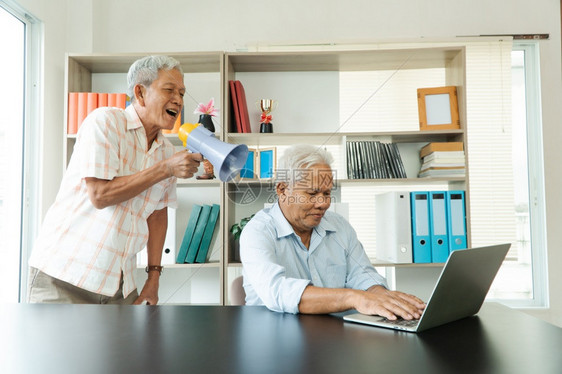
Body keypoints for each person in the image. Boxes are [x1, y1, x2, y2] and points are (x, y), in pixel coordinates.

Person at [27, 55, 202, 305]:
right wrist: (165, 169)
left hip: (118, 284)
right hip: (64, 277)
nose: (178, 100)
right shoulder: (105, 121)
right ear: (140, 93)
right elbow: (100, 195)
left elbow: (157, 215)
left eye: (182, 93)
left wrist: (154, 278)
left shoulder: (166, 152)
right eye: (169, 90)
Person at [240, 144, 426, 320]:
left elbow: (361, 274)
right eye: (312, 194)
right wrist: (354, 298)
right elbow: (278, 292)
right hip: (272, 335)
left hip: (332, 334)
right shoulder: (257, 232)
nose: (323, 203)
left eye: (327, 194)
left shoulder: (339, 226)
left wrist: (382, 297)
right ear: (282, 190)